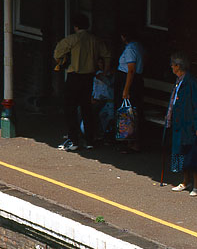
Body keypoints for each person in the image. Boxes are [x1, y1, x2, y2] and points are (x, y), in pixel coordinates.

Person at [53, 15, 108, 151]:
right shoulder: (95, 40)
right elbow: (107, 54)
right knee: (86, 109)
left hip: (74, 76)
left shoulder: (73, 39)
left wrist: (64, 61)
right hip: (89, 77)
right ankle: (89, 140)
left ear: (75, 26)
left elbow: (57, 53)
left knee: (70, 109)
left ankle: (73, 139)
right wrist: (105, 71)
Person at [164, 52, 197, 196]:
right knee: (180, 153)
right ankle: (185, 181)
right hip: (179, 124)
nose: (171, 67)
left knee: (192, 155)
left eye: (172, 64)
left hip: (189, 125)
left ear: (178, 66)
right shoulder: (179, 81)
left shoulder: (191, 83)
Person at [115, 30, 144, 152]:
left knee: (129, 112)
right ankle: (129, 141)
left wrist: (126, 89)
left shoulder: (131, 49)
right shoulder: (138, 46)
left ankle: (131, 142)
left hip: (130, 82)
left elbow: (131, 70)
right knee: (130, 112)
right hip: (135, 81)